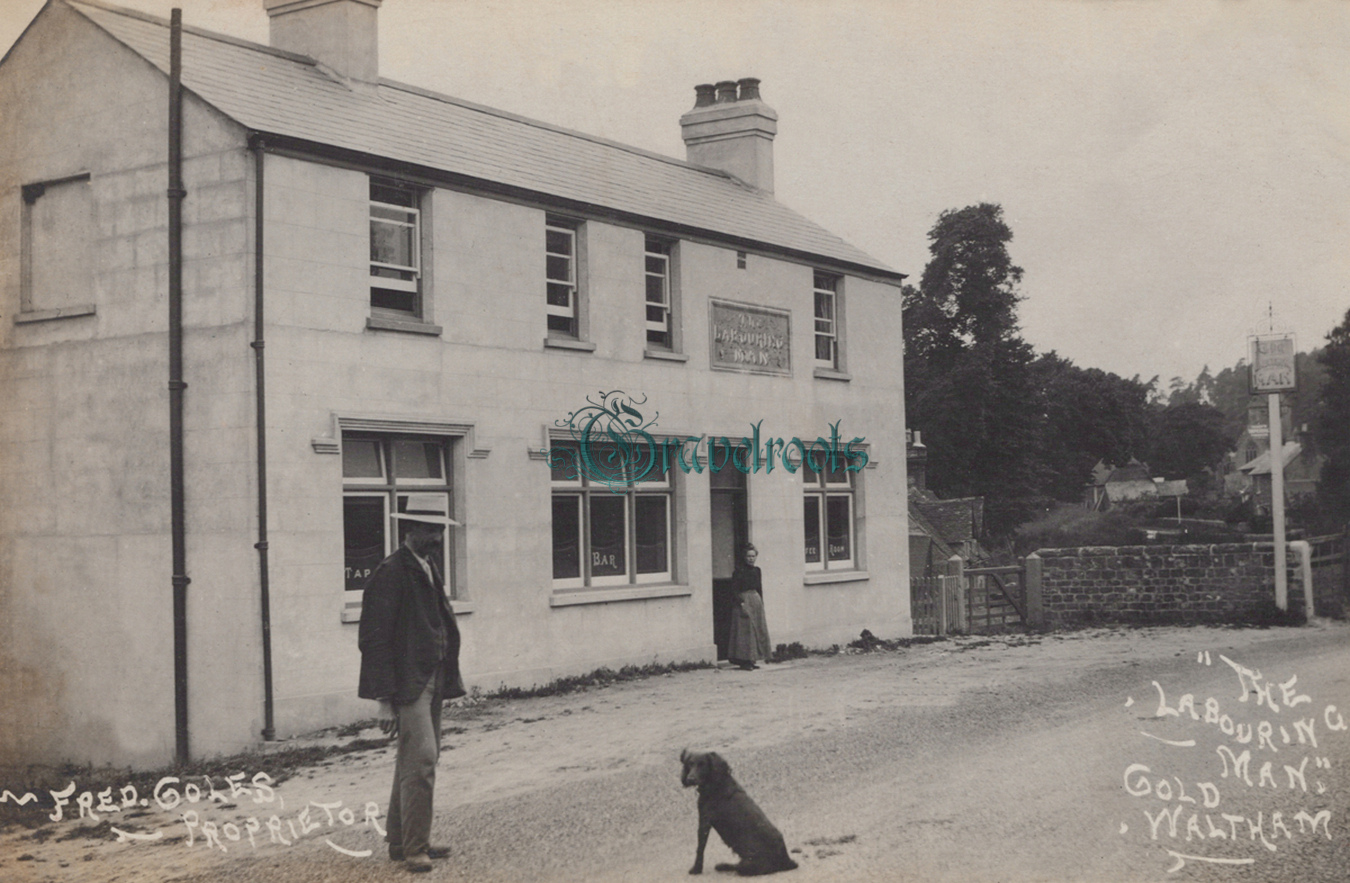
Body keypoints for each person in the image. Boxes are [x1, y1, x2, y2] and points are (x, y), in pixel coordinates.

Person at [358, 493, 465, 873]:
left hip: (432, 676)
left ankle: (403, 841)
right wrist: (384, 700)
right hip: (409, 683)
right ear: (410, 529)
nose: (438, 537)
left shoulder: (426, 564)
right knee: (421, 761)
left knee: (417, 758)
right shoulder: (391, 572)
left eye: (439, 529)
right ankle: (416, 849)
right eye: (430, 530)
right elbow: (374, 639)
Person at [725, 543, 772, 671]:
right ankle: (743, 661)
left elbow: (759, 588)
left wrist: (761, 603)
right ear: (744, 557)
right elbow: (734, 590)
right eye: (748, 556)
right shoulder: (739, 571)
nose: (751, 558)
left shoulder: (757, 571)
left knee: (757, 629)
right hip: (743, 601)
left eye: (753, 556)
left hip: (756, 600)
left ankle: (752, 659)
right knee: (745, 631)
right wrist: (741, 603)